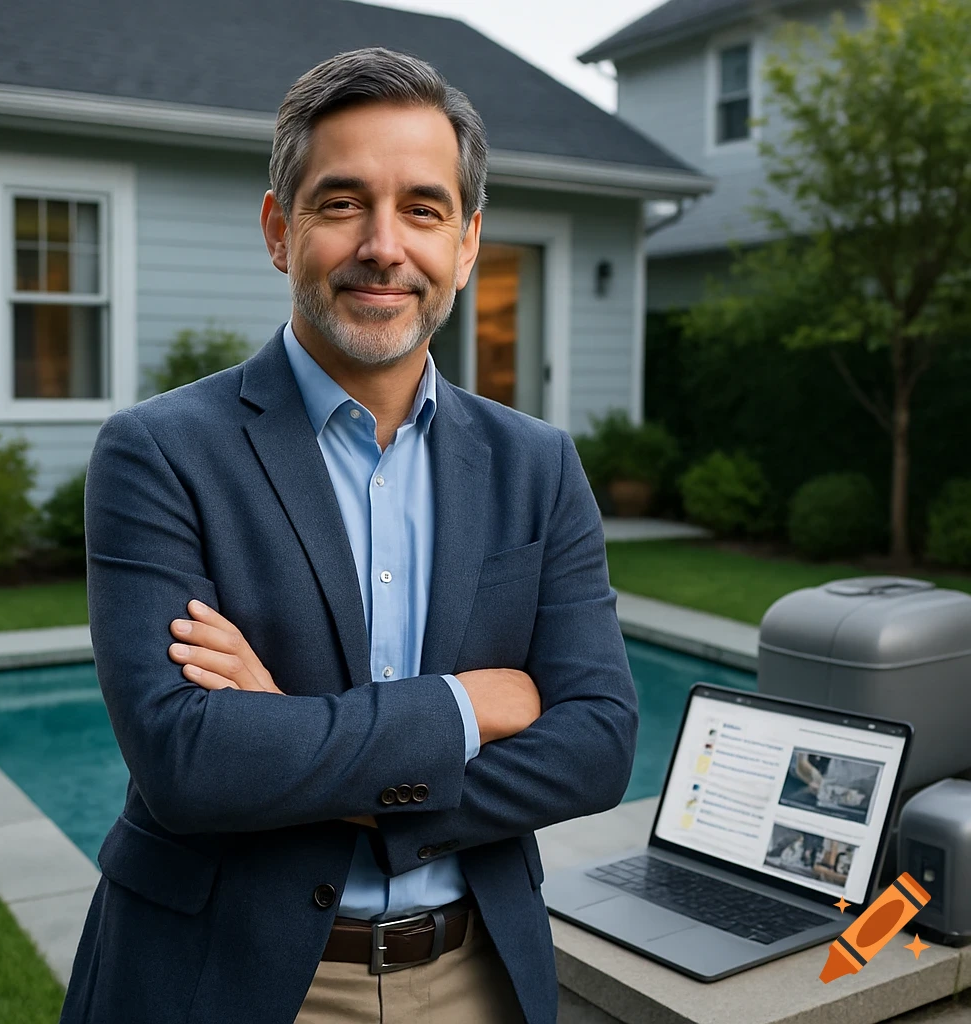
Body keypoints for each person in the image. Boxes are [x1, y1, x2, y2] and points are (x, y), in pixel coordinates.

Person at [58, 47, 638, 1024]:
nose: (383, 245)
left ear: (466, 243)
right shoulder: (158, 452)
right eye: (341, 203)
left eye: (423, 208)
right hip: (223, 980)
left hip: (477, 979)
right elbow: (187, 761)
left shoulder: (536, 465)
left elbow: (598, 744)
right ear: (279, 231)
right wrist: (464, 705)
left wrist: (291, 735)